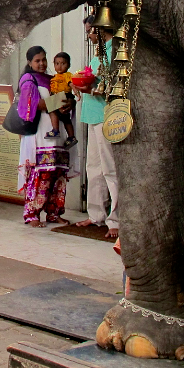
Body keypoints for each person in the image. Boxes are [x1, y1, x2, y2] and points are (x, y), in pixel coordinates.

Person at [16, 46, 77, 228]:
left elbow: (65, 99)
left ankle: (54, 213)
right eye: (37, 60)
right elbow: (31, 104)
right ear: (29, 62)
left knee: (58, 175)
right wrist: (60, 102)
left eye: (44, 59)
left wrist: (69, 102)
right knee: (40, 174)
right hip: (39, 135)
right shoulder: (28, 80)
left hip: (56, 136)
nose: (42, 64)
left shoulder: (54, 79)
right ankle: (32, 214)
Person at [74, 15, 119, 238]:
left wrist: (89, 89)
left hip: (106, 116)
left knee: (110, 169)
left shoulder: (114, 52)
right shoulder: (99, 53)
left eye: (91, 31)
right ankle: (96, 214)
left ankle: (116, 220)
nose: (89, 36)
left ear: (101, 30)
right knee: (94, 168)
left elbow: (113, 88)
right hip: (92, 114)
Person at [45, 52, 78, 149]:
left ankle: (62, 133)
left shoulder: (67, 75)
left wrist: (76, 93)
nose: (59, 66)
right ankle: (64, 134)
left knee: (59, 114)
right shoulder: (54, 77)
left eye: (63, 64)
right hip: (57, 96)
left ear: (68, 65)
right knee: (59, 115)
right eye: (57, 63)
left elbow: (71, 84)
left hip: (64, 96)